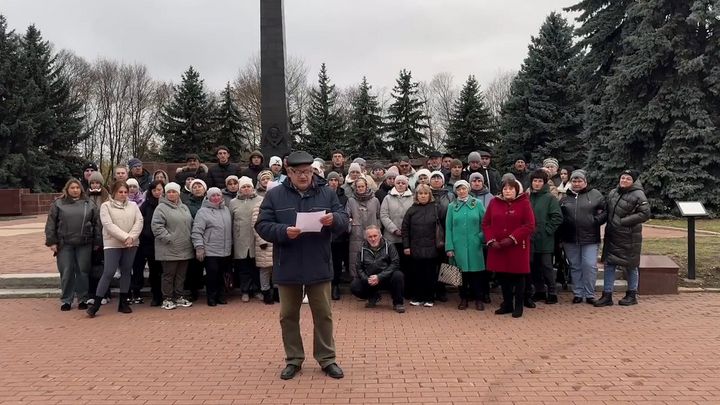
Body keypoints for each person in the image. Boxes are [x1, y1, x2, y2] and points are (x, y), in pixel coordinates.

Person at [255, 150, 349, 380]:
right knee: (288, 315)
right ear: (289, 171)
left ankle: (327, 359)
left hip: (319, 262)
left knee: (323, 315)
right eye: (298, 172)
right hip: (288, 264)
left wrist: (333, 219)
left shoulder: (327, 192)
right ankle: (294, 359)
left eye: (307, 171)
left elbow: (344, 220)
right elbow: (262, 225)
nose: (304, 176)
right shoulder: (275, 195)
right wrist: (283, 231)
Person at [87, 181, 143, 317]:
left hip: (131, 244)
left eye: (125, 192)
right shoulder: (106, 206)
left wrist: (132, 237)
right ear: (114, 192)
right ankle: (96, 304)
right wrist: (125, 237)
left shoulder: (134, 205)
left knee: (126, 271)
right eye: (120, 192)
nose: (123, 195)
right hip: (113, 243)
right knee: (109, 272)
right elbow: (108, 225)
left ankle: (123, 303)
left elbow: (139, 221)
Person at [595, 169, 650, 307]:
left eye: (628, 179)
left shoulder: (638, 194)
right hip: (612, 235)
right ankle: (607, 295)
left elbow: (645, 214)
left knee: (631, 266)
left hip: (629, 236)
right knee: (609, 264)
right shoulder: (614, 192)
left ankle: (632, 294)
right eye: (622, 178)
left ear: (633, 181)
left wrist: (623, 221)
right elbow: (607, 210)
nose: (624, 180)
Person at [45, 178, 101, 311]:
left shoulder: (89, 203)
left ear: (81, 189)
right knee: (67, 271)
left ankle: (83, 298)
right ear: (67, 189)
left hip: (84, 243)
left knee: (82, 271)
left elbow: (97, 224)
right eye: (72, 188)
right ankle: (66, 300)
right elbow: (51, 224)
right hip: (65, 244)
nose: (75, 190)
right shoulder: (58, 204)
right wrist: (52, 241)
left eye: (77, 188)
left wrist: (97, 241)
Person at [482, 179, 535, 318]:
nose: (508, 191)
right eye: (505, 189)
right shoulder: (494, 202)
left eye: (511, 189)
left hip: (517, 246)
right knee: (503, 276)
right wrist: (491, 240)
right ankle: (507, 304)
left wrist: (512, 238)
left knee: (518, 277)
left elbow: (529, 225)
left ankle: (518, 305)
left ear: (517, 190)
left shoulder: (524, 203)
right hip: (498, 246)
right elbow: (486, 223)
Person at [559, 170, 606, 305]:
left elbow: (604, 211)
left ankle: (589, 293)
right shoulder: (564, 198)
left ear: (585, 182)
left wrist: (595, 220)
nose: (577, 183)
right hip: (570, 238)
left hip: (590, 237)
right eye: (574, 181)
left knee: (589, 265)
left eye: (580, 181)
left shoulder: (595, 195)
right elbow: (560, 217)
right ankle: (578, 293)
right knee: (575, 266)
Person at [151, 182, 195, 310]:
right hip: (168, 248)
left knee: (181, 275)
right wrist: (169, 238)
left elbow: (190, 224)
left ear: (178, 193)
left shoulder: (184, 207)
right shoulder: (161, 208)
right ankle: (167, 298)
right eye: (169, 192)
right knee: (169, 275)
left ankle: (179, 296)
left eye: (174, 192)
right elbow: (157, 227)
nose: (171, 194)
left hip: (184, 247)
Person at [445, 180, 486, 311]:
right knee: (461, 274)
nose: (461, 191)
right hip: (458, 246)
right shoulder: (452, 206)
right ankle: (463, 298)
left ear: (468, 189)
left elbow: (485, 224)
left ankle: (479, 298)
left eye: (463, 188)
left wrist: (480, 238)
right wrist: (449, 246)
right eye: (458, 189)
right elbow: (448, 228)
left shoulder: (477, 204)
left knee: (477, 274)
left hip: (475, 245)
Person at [192, 187, 233, 306]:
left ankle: (221, 295)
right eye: (213, 196)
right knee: (212, 274)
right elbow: (197, 231)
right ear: (208, 197)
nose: (216, 198)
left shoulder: (226, 209)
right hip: (210, 250)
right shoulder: (203, 212)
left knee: (222, 274)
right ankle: (211, 297)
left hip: (225, 249)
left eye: (218, 195)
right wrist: (199, 247)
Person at [351, 225, 406, 313]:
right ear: (366, 237)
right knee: (355, 285)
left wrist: (379, 277)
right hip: (370, 279)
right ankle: (373, 296)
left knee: (398, 275)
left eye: (375, 236)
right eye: (370, 236)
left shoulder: (390, 245)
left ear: (380, 235)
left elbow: (395, 263)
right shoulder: (362, 248)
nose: (373, 239)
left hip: (386, 278)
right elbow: (359, 267)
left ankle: (398, 303)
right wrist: (366, 279)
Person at [401, 184, 440, 307]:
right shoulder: (412, 210)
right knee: (417, 274)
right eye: (420, 194)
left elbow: (441, 227)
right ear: (416, 195)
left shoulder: (436, 208)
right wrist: (406, 246)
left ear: (430, 195)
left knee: (430, 274)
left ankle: (430, 297)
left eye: (425, 193)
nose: (423, 196)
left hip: (432, 247)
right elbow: (405, 229)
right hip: (415, 247)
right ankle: (418, 296)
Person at [528, 169, 563, 305]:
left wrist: (547, 230)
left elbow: (557, 217)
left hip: (545, 239)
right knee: (534, 266)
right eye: (535, 181)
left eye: (539, 181)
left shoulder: (550, 198)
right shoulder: (528, 197)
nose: (537, 184)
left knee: (546, 266)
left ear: (544, 183)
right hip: (531, 239)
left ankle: (552, 292)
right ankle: (540, 290)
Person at [131, 180, 164, 306]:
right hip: (148, 243)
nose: (157, 192)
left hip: (163, 242)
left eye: (159, 190)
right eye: (154, 190)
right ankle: (155, 296)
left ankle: (163, 294)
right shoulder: (146, 205)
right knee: (153, 270)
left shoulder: (167, 204)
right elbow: (140, 221)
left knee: (161, 270)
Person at [230, 176, 262, 303]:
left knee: (256, 266)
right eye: (243, 187)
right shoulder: (233, 203)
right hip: (240, 240)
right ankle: (245, 291)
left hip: (256, 238)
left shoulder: (260, 200)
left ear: (252, 187)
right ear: (240, 188)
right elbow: (230, 221)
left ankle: (257, 290)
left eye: (248, 186)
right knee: (243, 267)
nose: (246, 189)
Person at [379, 174, 413, 279]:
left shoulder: (413, 198)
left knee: (406, 264)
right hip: (391, 237)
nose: (400, 185)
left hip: (407, 238)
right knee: (392, 262)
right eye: (398, 183)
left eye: (403, 183)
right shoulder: (387, 198)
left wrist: (406, 230)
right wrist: (394, 229)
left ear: (407, 185)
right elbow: (383, 215)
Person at [347, 177, 381, 279]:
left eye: (362, 186)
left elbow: (379, 216)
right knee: (355, 257)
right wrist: (350, 225)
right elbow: (346, 216)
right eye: (358, 187)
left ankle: (372, 280)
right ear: (355, 188)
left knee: (372, 258)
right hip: (356, 233)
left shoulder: (375, 200)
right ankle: (356, 279)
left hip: (372, 234)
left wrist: (378, 229)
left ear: (366, 187)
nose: (360, 188)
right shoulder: (351, 200)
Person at [86, 171, 111, 306]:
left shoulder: (107, 197)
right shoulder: (84, 196)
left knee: (103, 268)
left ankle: (104, 294)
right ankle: (91, 293)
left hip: (104, 236)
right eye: (93, 183)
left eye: (97, 182)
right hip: (88, 237)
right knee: (90, 267)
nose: (95, 185)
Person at [326, 172, 350, 300]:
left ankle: (335, 285)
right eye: (331, 180)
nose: (333, 182)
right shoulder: (322, 195)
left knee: (336, 262)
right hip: (324, 234)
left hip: (339, 235)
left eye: (336, 180)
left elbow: (345, 216)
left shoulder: (344, 198)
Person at [184, 178, 206, 301]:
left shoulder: (211, 201)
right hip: (194, 238)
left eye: (200, 186)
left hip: (210, 238)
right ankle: (194, 290)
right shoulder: (187, 205)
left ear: (204, 188)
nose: (197, 189)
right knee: (194, 267)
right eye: (195, 187)